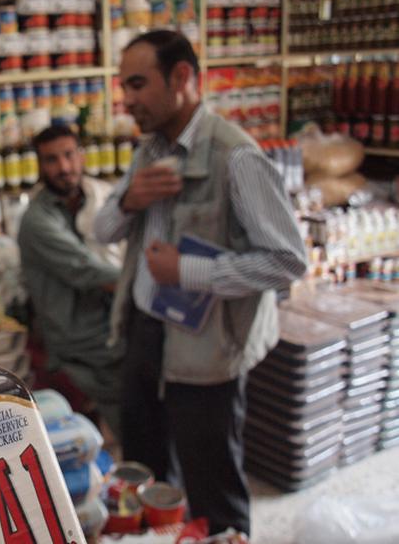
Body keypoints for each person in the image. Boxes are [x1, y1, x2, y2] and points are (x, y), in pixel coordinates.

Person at [94, 30, 307, 536]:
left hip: (208, 355)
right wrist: (129, 201)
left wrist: (187, 272)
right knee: (146, 477)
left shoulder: (236, 156)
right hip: (145, 335)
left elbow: (286, 260)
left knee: (214, 493)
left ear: (182, 78)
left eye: (139, 84)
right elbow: (100, 231)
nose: (127, 100)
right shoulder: (149, 150)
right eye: (124, 86)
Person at [18, 124, 125, 438]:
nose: (63, 168)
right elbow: (90, 272)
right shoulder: (37, 221)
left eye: (68, 155)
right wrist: (151, 279)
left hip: (105, 325)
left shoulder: (93, 198)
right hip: (81, 341)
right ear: (39, 166)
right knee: (137, 412)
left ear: (82, 156)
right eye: (51, 160)